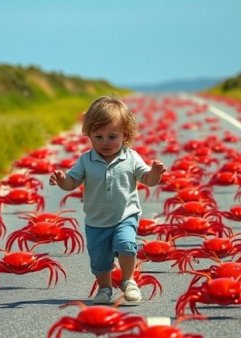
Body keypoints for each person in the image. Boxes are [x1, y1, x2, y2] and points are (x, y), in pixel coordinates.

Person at [49, 96, 166, 304]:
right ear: (89, 135)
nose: (105, 142)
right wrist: (62, 180)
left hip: (125, 216)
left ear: (125, 134)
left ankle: (128, 280)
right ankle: (104, 289)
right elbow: (72, 182)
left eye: (112, 136)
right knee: (100, 261)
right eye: (98, 136)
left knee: (126, 244)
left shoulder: (131, 157)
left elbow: (148, 180)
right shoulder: (85, 160)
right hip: (96, 221)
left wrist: (156, 172)